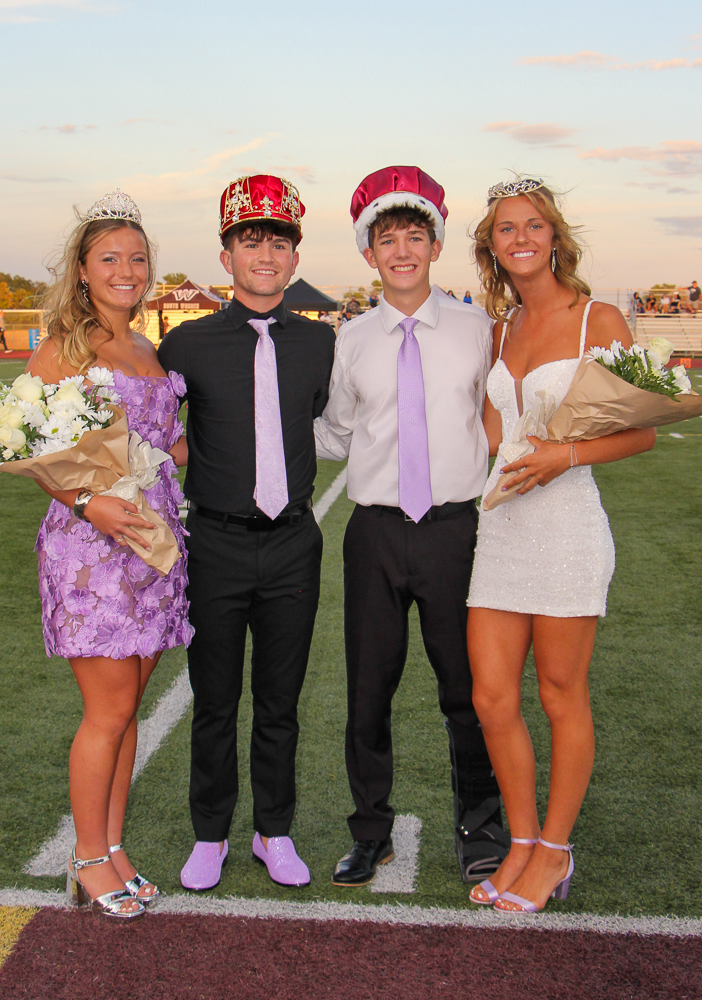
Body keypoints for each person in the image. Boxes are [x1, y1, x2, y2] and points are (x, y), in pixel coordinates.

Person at [465, 177, 655, 913]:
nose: (520, 237)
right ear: (491, 245)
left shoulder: (596, 318)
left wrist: (562, 457)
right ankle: (517, 841)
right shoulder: (496, 329)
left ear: (553, 236)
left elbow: (639, 431)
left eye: (532, 225)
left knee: (558, 693)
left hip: (568, 524)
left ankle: (554, 850)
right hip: (501, 525)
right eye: (505, 228)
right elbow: (487, 434)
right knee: (490, 696)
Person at [315, 166, 507, 888]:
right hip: (373, 532)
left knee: (466, 686)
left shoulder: (477, 330)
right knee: (368, 688)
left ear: (434, 244)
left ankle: (480, 826)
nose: (401, 250)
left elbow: (503, 416)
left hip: (454, 530)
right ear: (368, 253)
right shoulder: (351, 339)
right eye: (385, 238)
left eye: (414, 236)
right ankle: (370, 833)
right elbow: (336, 431)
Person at [158, 175, 335, 892]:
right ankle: (209, 833)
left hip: (293, 540)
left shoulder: (321, 345)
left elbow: (329, 421)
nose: (265, 252)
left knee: (279, 700)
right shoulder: (186, 344)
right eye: (250, 238)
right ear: (226, 253)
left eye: (279, 240)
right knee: (215, 698)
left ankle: (274, 829)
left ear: (295, 256)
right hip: (218, 541)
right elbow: (154, 432)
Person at [27, 189, 193, 919]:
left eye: (136, 258)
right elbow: (29, 447)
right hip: (92, 549)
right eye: (109, 258)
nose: (125, 269)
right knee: (107, 709)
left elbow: (166, 445)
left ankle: (113, 845)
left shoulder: (147, 348)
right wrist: (87, 501)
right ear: (83, 269)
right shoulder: (65, 346)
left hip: (154, 549)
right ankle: (87, 857)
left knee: (128, 711)